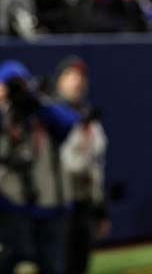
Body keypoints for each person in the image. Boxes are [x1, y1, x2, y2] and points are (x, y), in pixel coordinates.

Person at [0, 60, 79, 274]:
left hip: (49, 202)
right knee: (8, 259)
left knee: (53, 265)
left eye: (19, 85)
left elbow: (70, 124)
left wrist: (36, 101)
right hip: (12, 203)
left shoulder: (41, 112)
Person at [54, 56, 109, 274]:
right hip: (59, 204)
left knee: (80, 264)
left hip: (83, 203)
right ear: (59, 80)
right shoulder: (52, 115)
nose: (76, 81)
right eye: (70, 75)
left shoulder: (89, 117)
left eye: (80, 76)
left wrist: (101, 210)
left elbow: (96, 167)